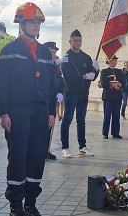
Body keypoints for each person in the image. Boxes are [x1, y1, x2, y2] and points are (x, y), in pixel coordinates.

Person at [0, 2, 56, 216]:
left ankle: (31, 202)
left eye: (38, 22)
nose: (36, 25)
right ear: (21, 23)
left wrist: (51, 111)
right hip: (18, 111)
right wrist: (3, 113)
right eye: (32, 21)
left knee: (37, 156)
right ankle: (16, 205)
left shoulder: (44, 52)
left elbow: (53, 84)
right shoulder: (9, 50)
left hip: (40, 112)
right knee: (18, 156)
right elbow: (1, 84)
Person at [59, 29, 99, 157]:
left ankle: (82, 146)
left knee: (81, 120)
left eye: (80, 40)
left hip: (83, 93)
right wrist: (84, 76)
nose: (77, 42)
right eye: (75, 40)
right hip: (71, 93)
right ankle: (65, 147)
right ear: (70, 41)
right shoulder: (66, 58)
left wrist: (96, 70)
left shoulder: (86, 57)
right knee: (67, 120)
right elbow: (69, 77)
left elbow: (92, 76)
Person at [44, 41, 65, 160]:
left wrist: (60, 93)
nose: (53, 54)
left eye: (54, 52)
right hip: (43, 101)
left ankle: (46, 150)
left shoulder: (56, 68)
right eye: (51, 52)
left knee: (49, 127)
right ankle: (41, 151)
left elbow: (61, 82)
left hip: (53, 100)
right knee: (42, 128)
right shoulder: (44, 66)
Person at [101, 55, 123, 139]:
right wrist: (112, 86)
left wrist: (119, 85)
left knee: (116, 115)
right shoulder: (104, 71)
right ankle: (105, 132)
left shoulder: (119, 71)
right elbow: (103, 83)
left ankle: (115, 132)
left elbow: (123, 81)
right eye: (114, 60)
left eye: (116, 60)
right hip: (108, 96)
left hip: (117, 96)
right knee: (107, 115)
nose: (115, 62)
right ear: (109, 61)